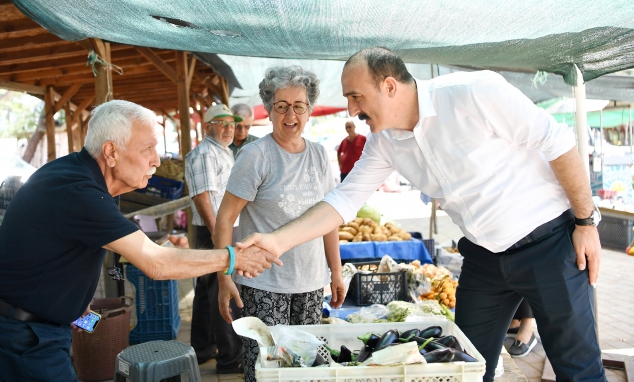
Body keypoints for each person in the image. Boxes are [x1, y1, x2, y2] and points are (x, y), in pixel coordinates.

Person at [237, 47, 605, 382]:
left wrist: (586, 223)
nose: (351, 109)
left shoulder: (474, 92)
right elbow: (343, 201)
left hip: (549, 245)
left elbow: (558, 142)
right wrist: (276, 241)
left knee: (577, 368)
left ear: (390, 86)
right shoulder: (383, 142)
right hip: (483, 259)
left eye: (355, 96)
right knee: (458, 365)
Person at [0, 100, 280, 382]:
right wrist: (234, 258)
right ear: (111, 152)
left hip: (39, 323)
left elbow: (122, 252)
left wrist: (160, 250)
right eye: (148, 149)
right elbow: (155, 265)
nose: (156, 160)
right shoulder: (78, 191)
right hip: (14, 329)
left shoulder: (90, 184)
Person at [215, 66, 345, 382]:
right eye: (281, 105)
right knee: (268, 370)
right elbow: (225, 217)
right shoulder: (255, 155)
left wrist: (336, 272)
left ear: (309, 111)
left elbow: (329, 219)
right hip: (264, 285)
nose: (290, 114)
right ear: (270, 110)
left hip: (311, 284)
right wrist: (224, 277)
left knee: (306, 370)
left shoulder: (318, 155)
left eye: (298, 105)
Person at [184, 103, 245, 374]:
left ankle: (203, 347)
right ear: (207, 126)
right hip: (215, 231)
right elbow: (202, 196)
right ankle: (230, 359)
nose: (228, 128)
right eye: (221, 123)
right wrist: (216, 234)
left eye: (231, 123)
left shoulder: (221, 152)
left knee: (207, 291)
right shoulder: (204, 154)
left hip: (218, 230)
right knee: (224, 290)